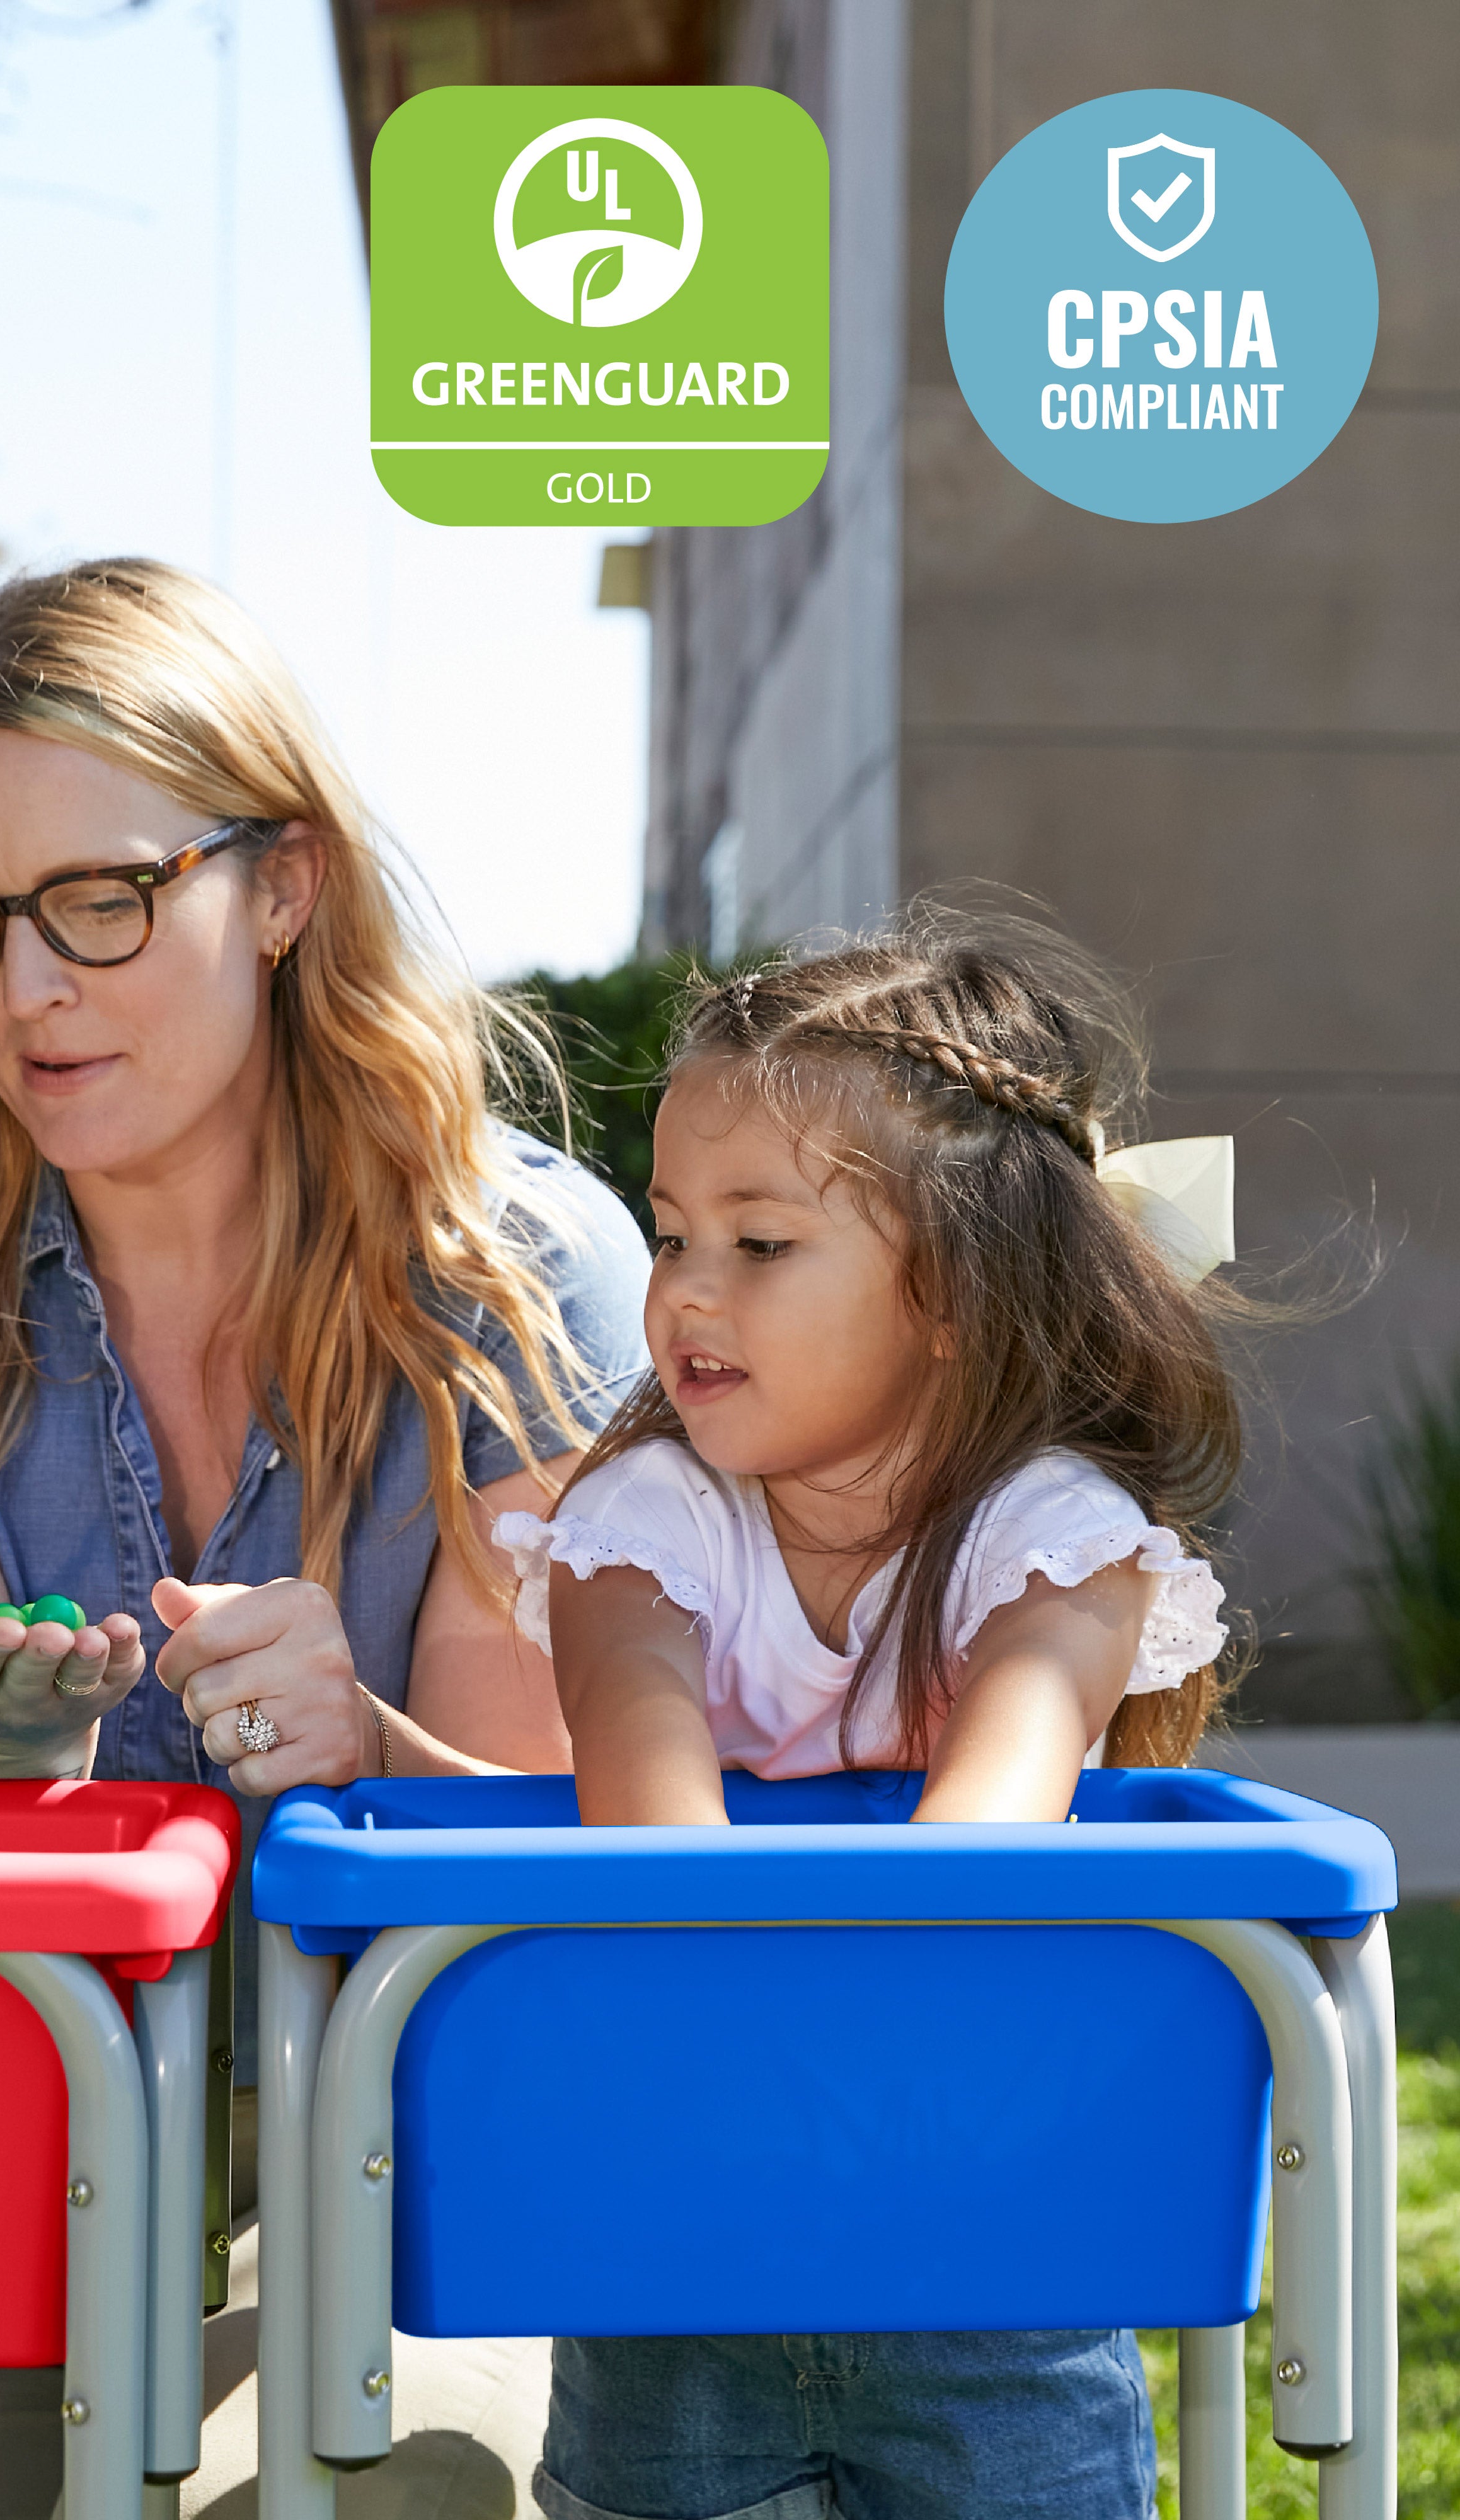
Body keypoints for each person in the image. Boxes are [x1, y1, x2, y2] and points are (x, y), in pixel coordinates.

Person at [0, 556, 653, 2512]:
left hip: (406, 2106)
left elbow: (541, 1850)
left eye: (103, 901)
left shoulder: (513, 1264)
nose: (26, 990)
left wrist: (368, 1748)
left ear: (285, 884)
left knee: (404, 2493)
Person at [502, 907, 1240, 2520]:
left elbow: (981, 1838)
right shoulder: (637, 1521)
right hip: (672, 2267)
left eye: (757, 1243)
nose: (684, 1289)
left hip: (993, 2260)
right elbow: (653, 1832)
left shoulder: (1053, 1536)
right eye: (670, 1232)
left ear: (957, 1295)